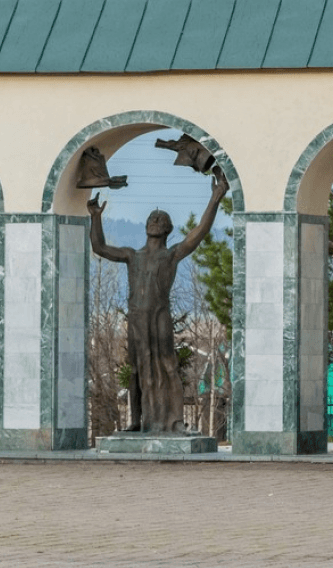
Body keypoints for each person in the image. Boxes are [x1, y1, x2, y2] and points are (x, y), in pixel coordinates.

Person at [88, 166, 229, 434]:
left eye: (159, 218)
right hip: (137, 319)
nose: (154, 220)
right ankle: (137, 420)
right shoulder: (132, 255)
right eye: (151, 217)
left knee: (168, 364)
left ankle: (175, 420)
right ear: (145, 226)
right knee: (137, 369)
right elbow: (100, 247)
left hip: (159, 317)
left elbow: (198, 232)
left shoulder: (172, 255)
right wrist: (95, 217)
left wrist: (216, 198)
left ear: (167, 229)